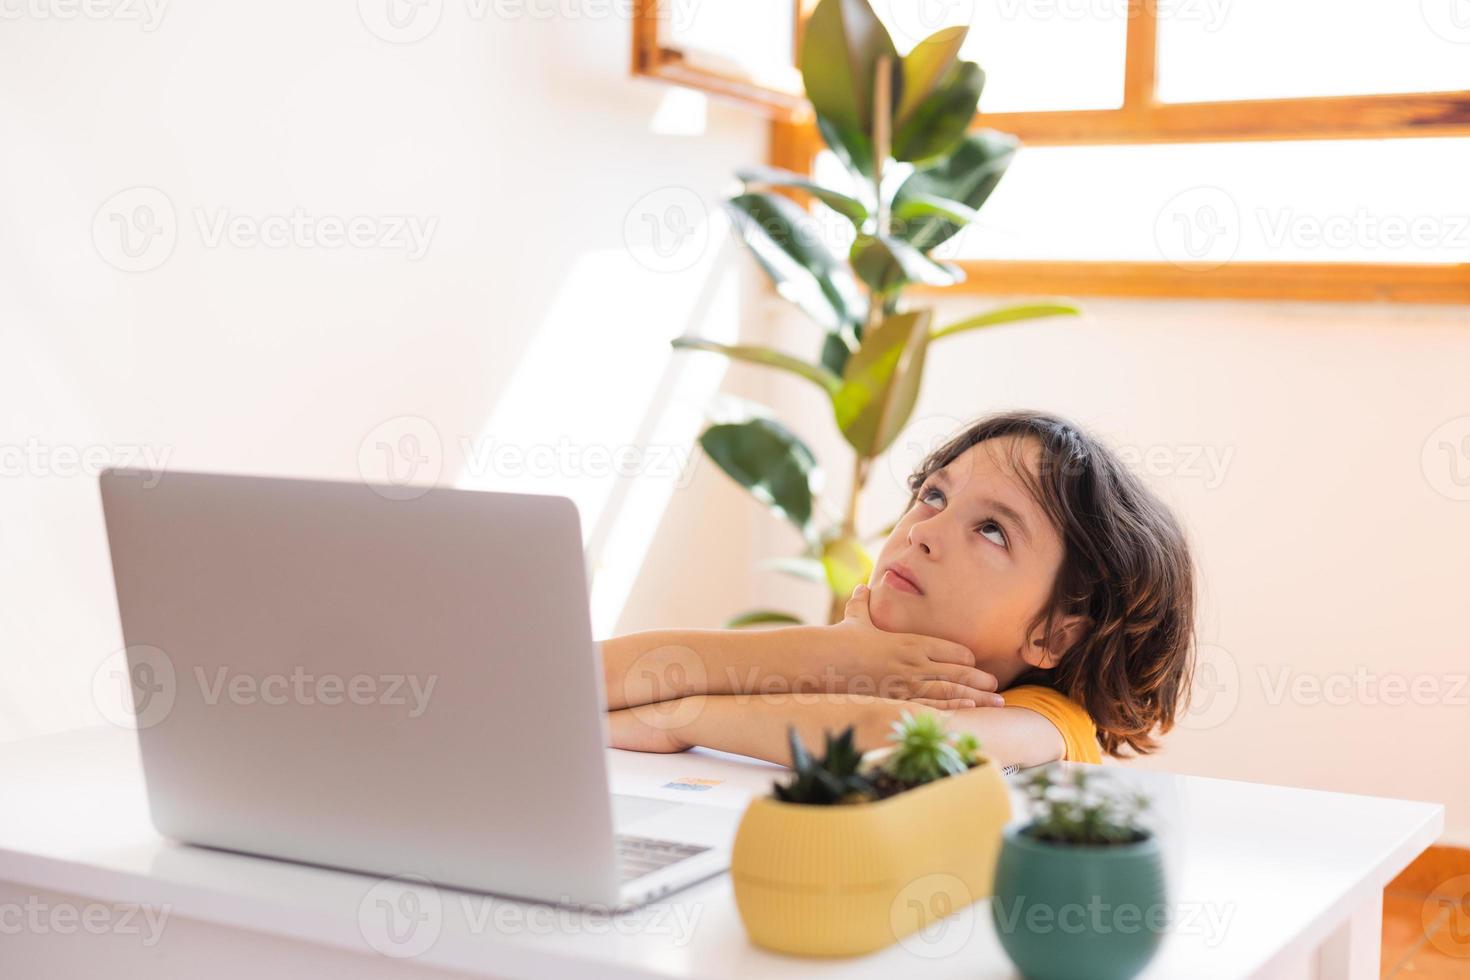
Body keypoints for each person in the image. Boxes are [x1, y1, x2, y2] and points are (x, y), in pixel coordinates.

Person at [599, 410, 1197, 770]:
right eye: (934, 495)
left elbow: (892, 740)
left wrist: (684, 717)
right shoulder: (837, 666)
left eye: (992, 530)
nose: (925, 531)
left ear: (1053, 634)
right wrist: (831, 656)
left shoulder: (1046, 723)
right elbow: (578, 680)